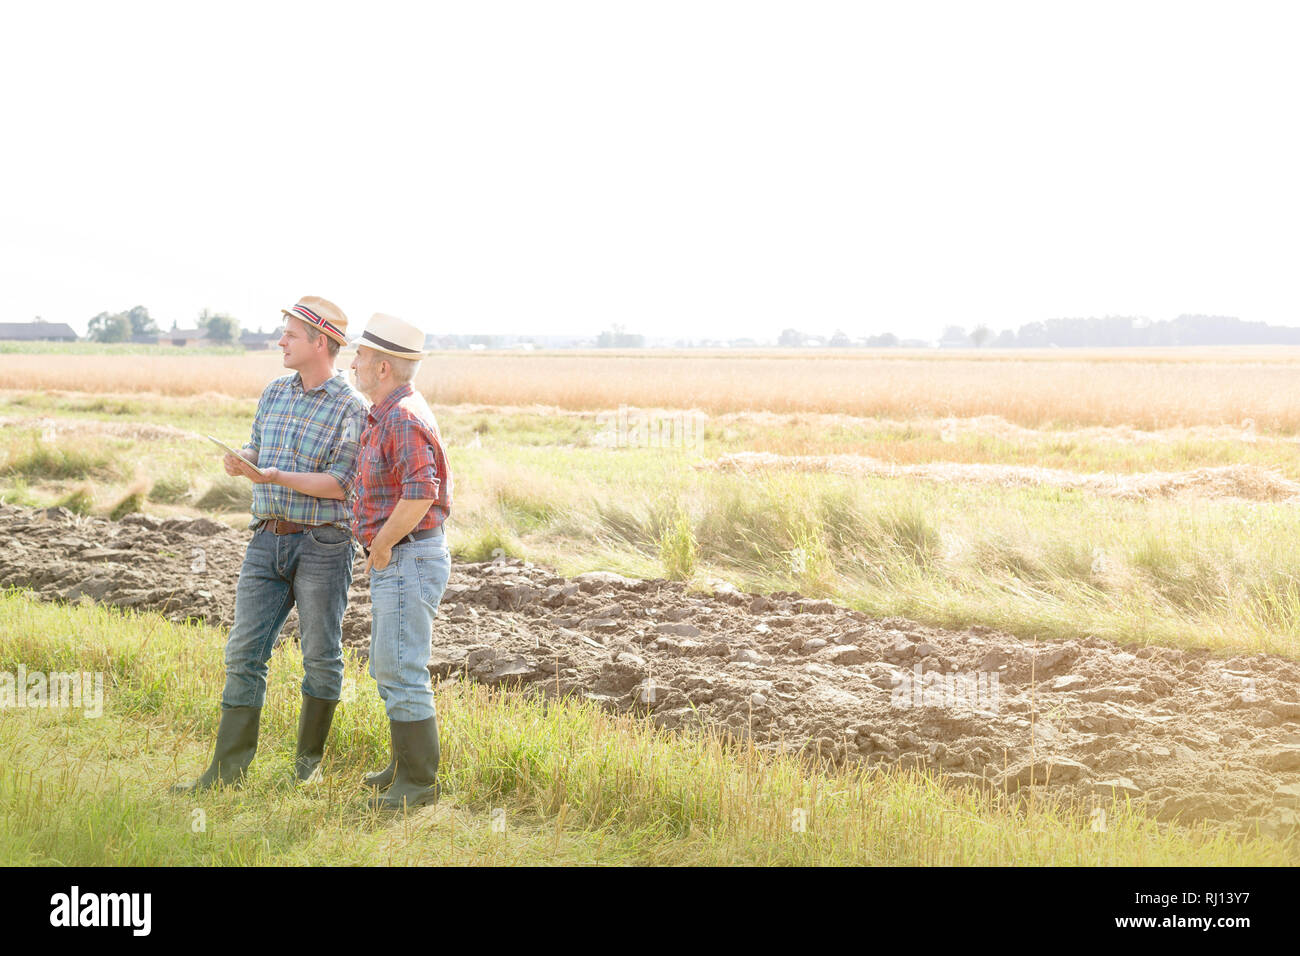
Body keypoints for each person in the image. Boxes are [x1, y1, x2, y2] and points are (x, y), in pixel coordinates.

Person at [173, 296, 368, 793]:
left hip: (324, 544)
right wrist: (244, 460)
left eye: (290, 334)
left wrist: (275, 475)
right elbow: (258, 448)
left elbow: (341, 483)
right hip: (266, 539)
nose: (280, 341)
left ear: (319, 342)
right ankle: (226, 772)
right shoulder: (274, 392)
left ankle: (306, 768)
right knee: (243, 652)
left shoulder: (352, 407)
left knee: (321, 655)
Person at [348, 313, 453, 811]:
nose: (354, 364)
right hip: (403, 556)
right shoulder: (389, 411)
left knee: (401, 665)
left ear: (383, 368)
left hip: (408, 556)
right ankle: (403, 765)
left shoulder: (402, 417)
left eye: (361, 358)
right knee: (391, 663)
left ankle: (419, 784)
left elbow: (420, 492)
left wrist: (384, 545)